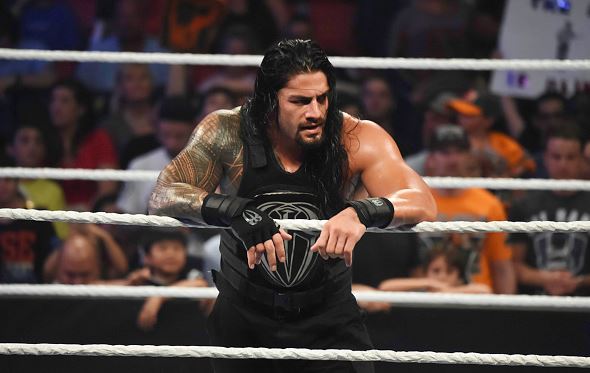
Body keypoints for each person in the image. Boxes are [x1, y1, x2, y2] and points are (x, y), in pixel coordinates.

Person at [149, 39, 436, 373]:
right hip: (244, 318)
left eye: (322, 98)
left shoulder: (355, 136)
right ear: (270, 100)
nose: (315, 112)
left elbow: (421, 200)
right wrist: (234, 211)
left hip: (329, 317)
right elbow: (163, 195)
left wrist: (362, 211)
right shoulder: (227, 131)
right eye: (300, 101)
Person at [422, 125, 516, 294]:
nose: (453, 159)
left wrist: (507, 313)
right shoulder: (418, 200)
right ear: (431, 158)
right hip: (426, 296)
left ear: (469, 157)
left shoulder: (489, 203)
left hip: (477, 296)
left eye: (459, 152)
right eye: (445, 153)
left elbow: (502, 265)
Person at [508, 124, 590, 296]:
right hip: (536, 302)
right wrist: (545, 279)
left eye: (570, 157)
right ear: (545, 159)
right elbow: (513, 264)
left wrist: (579, 281)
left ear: (582, 160)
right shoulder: (524, 204)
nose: (563, 164)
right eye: (556, 157)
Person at [117, 96, 197, 214]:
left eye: (179, 136)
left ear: (194, 129)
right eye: (166, 135)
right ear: (157, 130)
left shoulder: (210, 164)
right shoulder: (140, 165)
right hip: (147, 229)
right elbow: (127, 214)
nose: (171, 144)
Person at [49, 79, 119, 210]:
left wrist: (84, 211)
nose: (56, 107)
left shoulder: (98, 139)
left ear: (81, 109)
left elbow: (107, 189)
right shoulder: (41, 141)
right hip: (51, 215)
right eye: (53, 100)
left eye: (64, 101)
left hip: (90, 214)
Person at [120, 229, 208, 331]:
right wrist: (128, 283)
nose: (171, 254)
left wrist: (158, 297)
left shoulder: (191, 276)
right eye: (163, 248)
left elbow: (201, 284)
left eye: (177, 248)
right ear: (147, 257)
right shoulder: (138, 281)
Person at [0, 156, 59, 283]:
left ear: (17, 182)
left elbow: (54, 259)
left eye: (7, 179)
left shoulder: (39, 216)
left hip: (37, 292)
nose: (2, 185)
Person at [7, 122, 68, 239]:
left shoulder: (53, 190)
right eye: (25, 141)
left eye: (38, 142)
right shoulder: (3, 187)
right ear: (11, 149)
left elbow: (60, 240)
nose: (32, 147)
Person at [379, 246, 491, 294]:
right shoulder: (421, 291)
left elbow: (485, 290)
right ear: (425, 272)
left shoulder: (465, 291)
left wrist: (447, 291)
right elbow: (385, 287)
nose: (442, 276)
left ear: (459, 276)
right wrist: (428, 282)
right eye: (436, 271)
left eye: (450, 271)